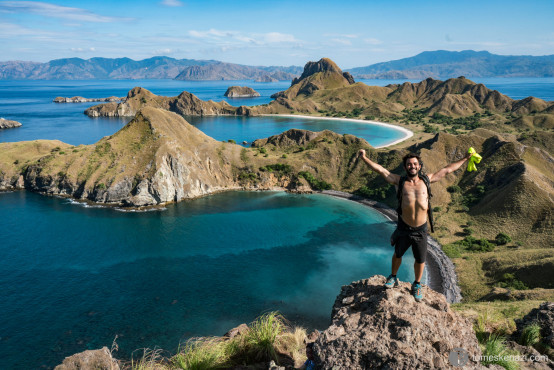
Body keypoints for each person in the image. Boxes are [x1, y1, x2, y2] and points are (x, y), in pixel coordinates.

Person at [358, 149, 472, 302]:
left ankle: (417, 284)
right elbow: (380, 170)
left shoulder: (427, 180)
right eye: (409, 164)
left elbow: (447, 169)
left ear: (419, 166)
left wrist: (465, 159)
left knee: (420, 259)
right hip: (404, 227)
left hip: (420, 229)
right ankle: (392, 277)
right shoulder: (399, 181)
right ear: (405, 167)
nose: (412, 166)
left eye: (415, 164)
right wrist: (364, 158)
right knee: (398, 254)